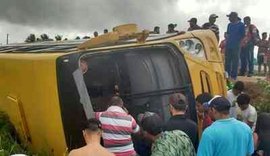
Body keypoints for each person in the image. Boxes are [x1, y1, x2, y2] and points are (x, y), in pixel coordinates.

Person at [225, 12, 245, 80]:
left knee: (235, 61)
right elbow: (227, 34)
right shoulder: (229, 25)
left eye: (230, 17)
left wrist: (239, 43)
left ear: (234, 17)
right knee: (227, 61)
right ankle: (227, 75)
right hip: (228, 45)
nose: (229, 19)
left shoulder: (241, 25)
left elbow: (243, 35)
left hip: (236, 45)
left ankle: (233, 76)